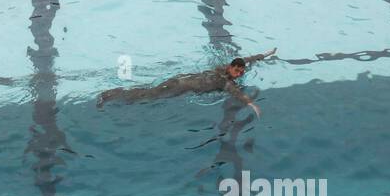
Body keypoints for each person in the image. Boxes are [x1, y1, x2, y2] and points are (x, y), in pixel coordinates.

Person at [98, 49, 276, 117]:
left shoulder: (223, 69)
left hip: (181, 79)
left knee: (149, 92)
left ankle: (114, 94)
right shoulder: (225, 82)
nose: (238, 75)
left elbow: (247, 59)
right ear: (231, 67)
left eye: (241, 72)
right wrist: (252, 104)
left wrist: (264, 55)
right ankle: (110, 95)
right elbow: (237, 93)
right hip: (181, 86)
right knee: (149, 96)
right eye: (237, 71)